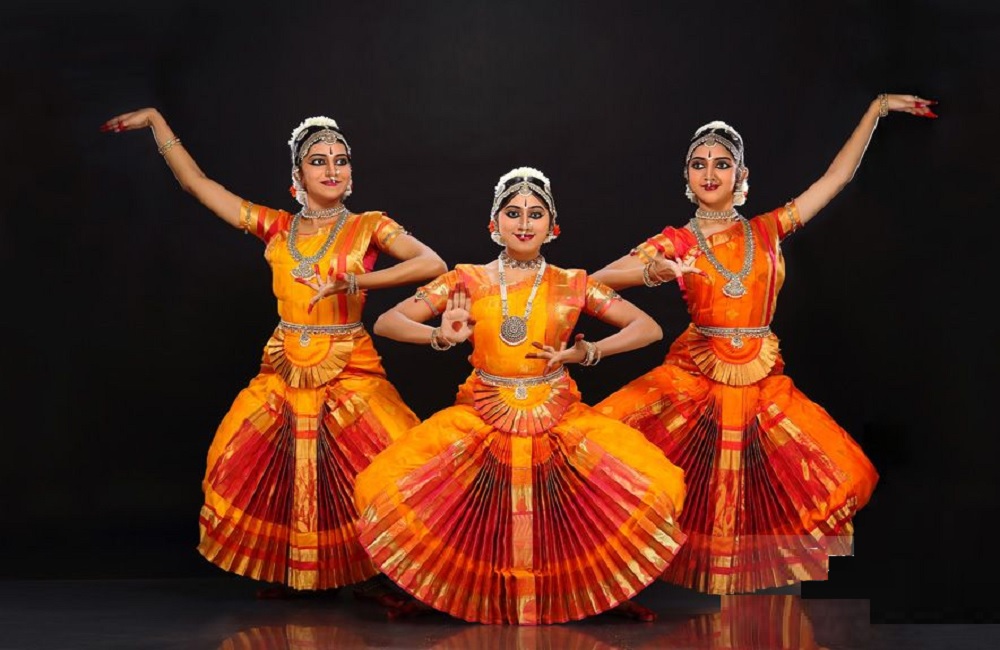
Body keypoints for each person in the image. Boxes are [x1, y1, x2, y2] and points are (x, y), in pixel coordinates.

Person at [591, 93, 937, 594]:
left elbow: (836, 179)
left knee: (840, 472)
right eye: (698, 164)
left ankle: (741, 610)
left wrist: (876, 110)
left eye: (722, 163)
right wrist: (652, 271)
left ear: (741, 174)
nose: (710, 173)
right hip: (698, 375)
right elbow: (598, 281)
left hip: (759, 375)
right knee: (625, 461)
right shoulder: (677, 242)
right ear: (686, 177)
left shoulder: (769, 229)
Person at [101, 109, 447, 604]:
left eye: (341, 160)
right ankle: (300, 573)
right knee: (262, 462)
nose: (332, 169)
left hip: (348, 361)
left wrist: (356, 281)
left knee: (375, 462)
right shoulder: (277, 227)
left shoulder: (369, 226)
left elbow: (431, 262)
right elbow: (199, 186)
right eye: (318, 161)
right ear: (297, 176)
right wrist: (158, 122)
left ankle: (377, 571)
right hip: (285, 361)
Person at [353, 166, 688, 624]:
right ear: (494, 224)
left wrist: (587, 352)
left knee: (652, 486)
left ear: (553, 227)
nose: (524, 223)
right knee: (384, 486)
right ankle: (452, 592)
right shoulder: (466, 279)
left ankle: (595, 591)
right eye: (513, 213)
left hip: (557, 413)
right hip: (483, 412)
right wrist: (441, 337)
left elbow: (647, 328)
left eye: (535, 214)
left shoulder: (573, 282)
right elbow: (388, 321)